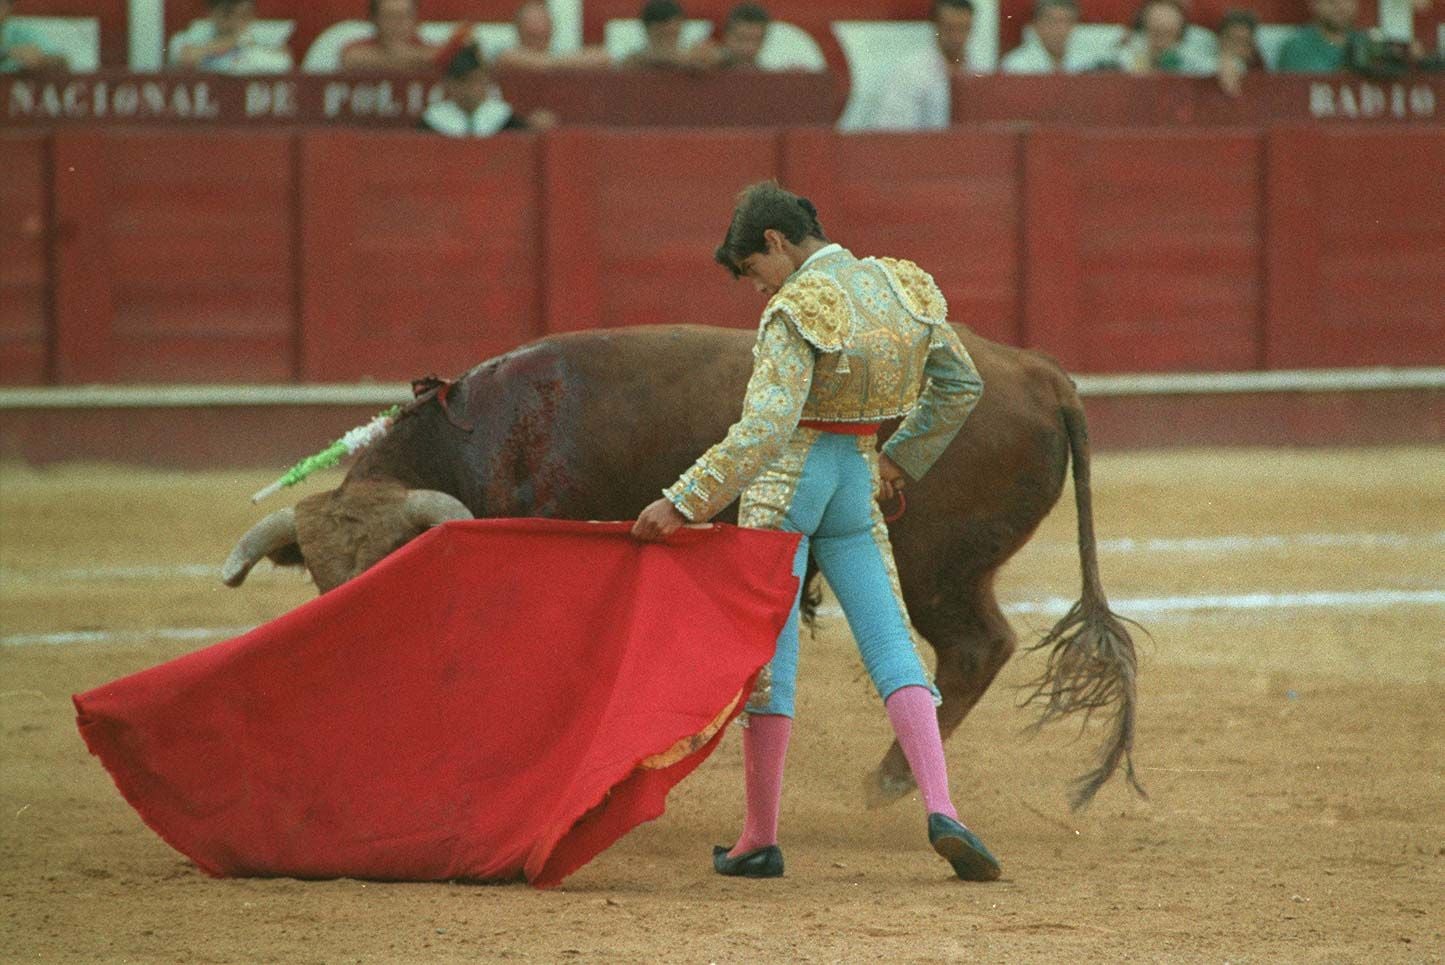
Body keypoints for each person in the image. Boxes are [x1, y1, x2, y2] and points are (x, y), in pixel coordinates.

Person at [632, 183, 996, 882]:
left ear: (773, 240)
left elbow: (765, 429)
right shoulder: (901, 286)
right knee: (891, 640)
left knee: (772, 657)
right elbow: (961, 385)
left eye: (750, 269)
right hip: (857, 477)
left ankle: (757, 838)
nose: (754, 286)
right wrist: (899, 456)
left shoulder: (794, 307)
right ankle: (944, 808)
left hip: (788, 486)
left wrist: (683, 500)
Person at [866, 0, 976, 130]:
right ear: (936, 26)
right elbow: (892, 132)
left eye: (963, 28)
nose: (957, 37)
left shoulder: (980, 69)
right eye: (950, 29)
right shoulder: (911, 72)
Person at [418, 37, 557, 135]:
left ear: (485, 80)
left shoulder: (506, 121)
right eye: (462, 81)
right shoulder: (431, 124)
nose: (469, 89)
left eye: (475, 80)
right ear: (448, 84)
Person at [169, 0, 292, 74]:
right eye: (228, 14)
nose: (236, 22)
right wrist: (229, 43)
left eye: (243, 15)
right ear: (212, 13)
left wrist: (248, 45)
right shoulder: (195, 34)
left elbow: (283, 64)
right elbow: (185, 58)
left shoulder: (264, 35)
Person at [493, 0, 612, 70]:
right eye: (533, 35)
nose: (539, 31)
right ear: (519, 31)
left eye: (543, 32)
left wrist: (554, 62)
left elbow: (604, 57)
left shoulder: (561, 54)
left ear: (551, 28)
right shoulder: (507, 55)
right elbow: (507, 58)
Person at [1105, 0, 1215, 75]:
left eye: (1167, 34)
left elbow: (1211, 69)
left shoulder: (1199, 42)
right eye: (1156, 34)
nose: (1161, 42)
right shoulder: (1129, 46)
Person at [339, 0, 437, 72]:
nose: (398, 23)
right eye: (389, 16)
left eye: (404, 16)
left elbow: (439, 58)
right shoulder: (359, 49)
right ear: (374, 19)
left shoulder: (426, 48)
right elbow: (351, 58)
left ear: (415, 19)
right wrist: (412, 61)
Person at [1275, 0, 1365, 72]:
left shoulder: (1368, 44)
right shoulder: (1295, 48)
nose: (1340, 6)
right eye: (1331, 1)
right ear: (1313, 4)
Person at [621, 0, 711, 69]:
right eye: (662, 34)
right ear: (649, 30)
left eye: (673, 33)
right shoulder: (633, 63)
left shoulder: (696, 60)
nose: (669, 33)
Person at [999, 0, 1081, 74]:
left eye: (1068, 21)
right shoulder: (1015, 65)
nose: (1061, 29)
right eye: (1052, 22)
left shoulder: (1088, 61)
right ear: (1036, 25)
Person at [0, 0, 68, 72]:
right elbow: (6, 53)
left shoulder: (19, 30)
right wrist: (6, 53)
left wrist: (42, 60)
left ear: (9, 7)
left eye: (2, 4)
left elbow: (62, 62)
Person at [1215, 8, 1261, 94]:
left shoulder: (1260, 67)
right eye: (1232, 40)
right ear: (1220, 39)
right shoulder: (1203, 62)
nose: (1237, 47)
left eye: (1243, 41)